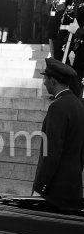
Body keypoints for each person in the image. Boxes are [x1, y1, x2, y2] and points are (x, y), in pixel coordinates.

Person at [33, 58, 84, 208]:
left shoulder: (57, 107)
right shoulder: (79, 105)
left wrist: (39, 188)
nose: (44, 83)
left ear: (53, 81)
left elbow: (52, 153)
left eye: (45, 78)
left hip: (54, 191)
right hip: (73, 187)